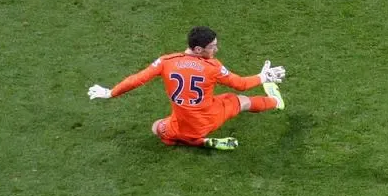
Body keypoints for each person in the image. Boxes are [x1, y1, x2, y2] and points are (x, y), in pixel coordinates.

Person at [88, 27, 286, 152]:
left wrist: (110, 92)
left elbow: (136, 80)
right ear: (199, 50)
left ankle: (194, 141)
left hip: (179, 123)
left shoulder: (166, 61)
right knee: (241, 100)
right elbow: (241, 83)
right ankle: (276, 102)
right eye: (212, 47)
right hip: (208, 119)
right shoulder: (212, 67)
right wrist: (263, 77)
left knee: (156, 126)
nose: (216, 50)